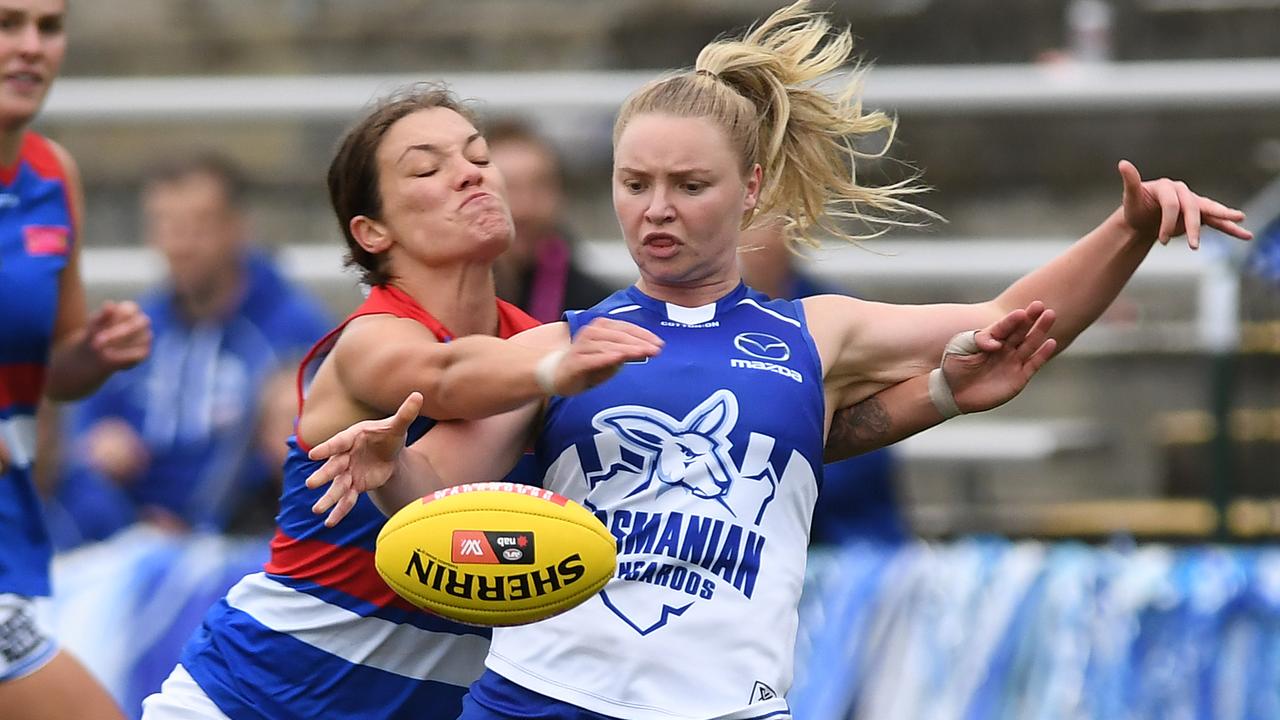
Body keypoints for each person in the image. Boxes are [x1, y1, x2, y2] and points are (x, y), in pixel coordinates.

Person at [305, 3, 1251, 719]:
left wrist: (1128, 230)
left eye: (689, 184)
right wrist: (390, 471)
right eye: (635, 184)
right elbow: (443, 519)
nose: (656, 209)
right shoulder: (560, 345)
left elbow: (1013, 319)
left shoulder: (817, 332)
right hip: (543, 697)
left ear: (751, 188)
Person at [142, 84, 1050, 720]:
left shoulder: (540, 343)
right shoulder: (386, 340)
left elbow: (775, 445)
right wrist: (555, 370)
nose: (471, 175)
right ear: (370, 231)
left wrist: (935, 395)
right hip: (263, 695)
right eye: (428, 169)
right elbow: (454, 380)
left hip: (428, 703)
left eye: (478, 155)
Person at [48, 154, 332, 545]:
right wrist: (98, 443)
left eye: (199, 226)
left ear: (238, 228)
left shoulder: (295, 329)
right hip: (128, 537)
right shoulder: (136, 327)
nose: (180, 244)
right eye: (165, 225)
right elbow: (81, 436)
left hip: (247, 536)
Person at [0, 1, 152, 719]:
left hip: (13, 528)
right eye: (6, 23)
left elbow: (53, 370)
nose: (31, 47)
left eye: (48, 26)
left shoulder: (52, 174)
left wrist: (93, 352)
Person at [737, 220, 907, 545]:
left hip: (845, 534)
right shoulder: (709, 324)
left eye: (764, 225)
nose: (752, 246)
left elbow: (867, 454)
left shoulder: (839, 317)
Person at [487, 119, 614, 322]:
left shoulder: (597, 309)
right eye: (508, 188)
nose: (524, 208)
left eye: (540, 186)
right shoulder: (447, 305)